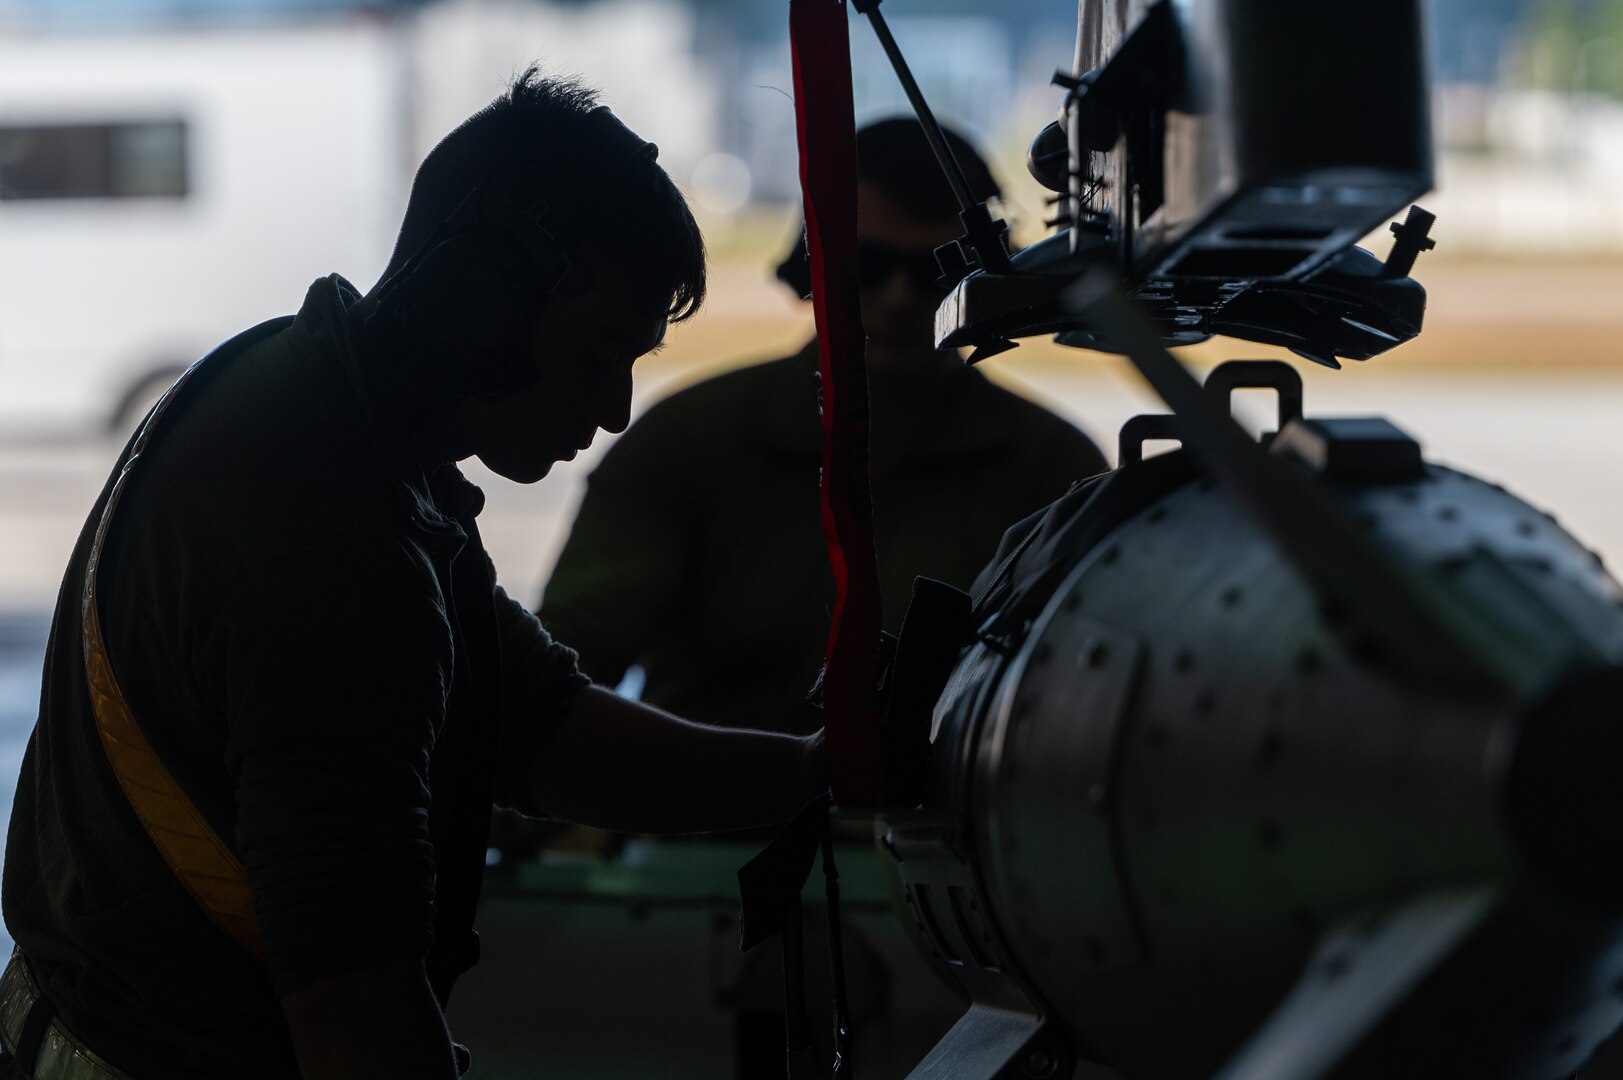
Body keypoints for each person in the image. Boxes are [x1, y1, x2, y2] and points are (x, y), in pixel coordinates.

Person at [0, 69, 823, 1080]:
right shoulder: (329, 547)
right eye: (602, 354)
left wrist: (809, 775)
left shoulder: (324, 407)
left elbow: (540, 726)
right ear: (477, 300)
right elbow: (355, 1010)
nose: (614, 410)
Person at [540, 117, 1109, 733]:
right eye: (867, 266)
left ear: (985, 282)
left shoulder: (1055, 466)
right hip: (708, 821)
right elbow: (559, 672)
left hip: (953, 825)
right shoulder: (686, 440)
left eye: (934, 272)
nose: (899, 299)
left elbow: (1093, 680)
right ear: (812, 270)